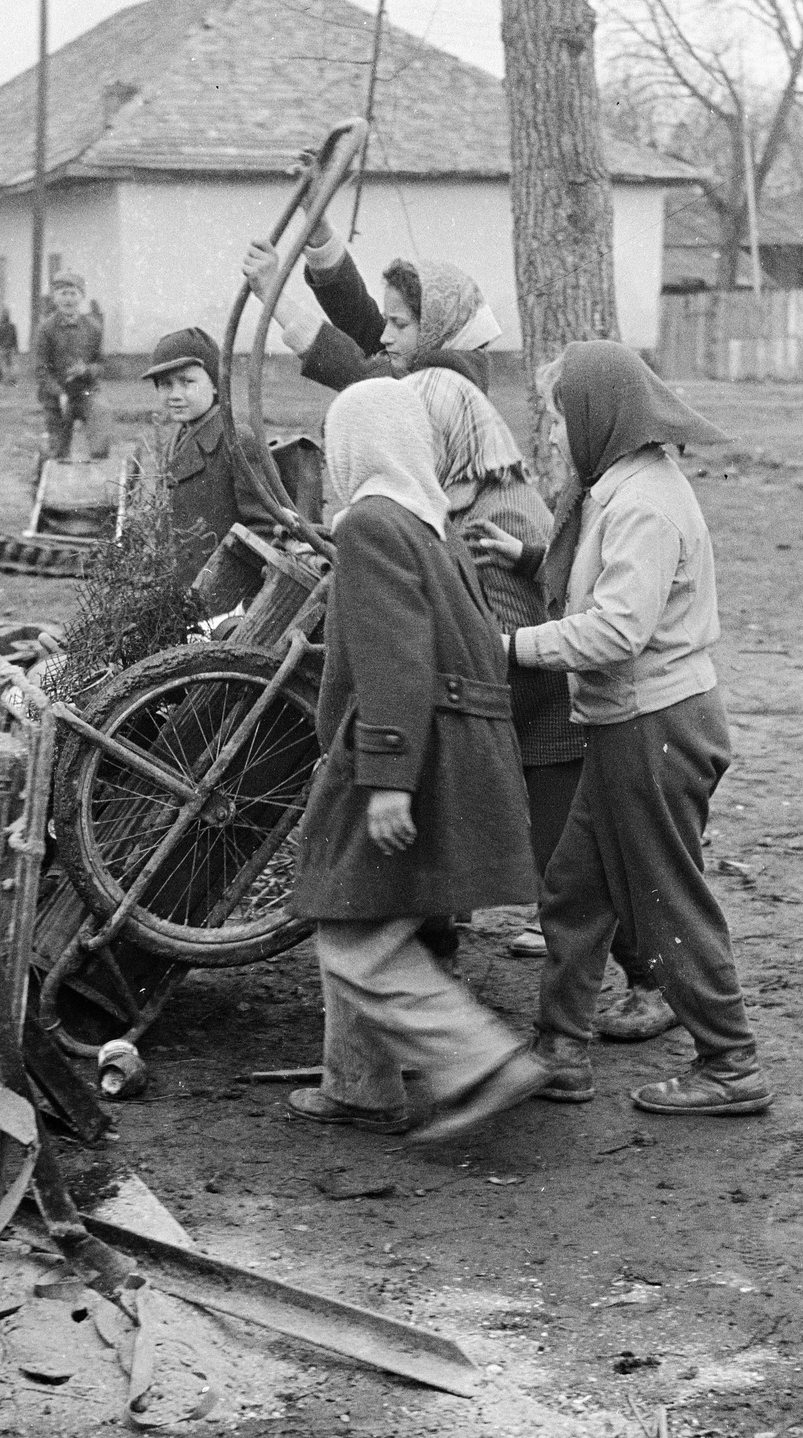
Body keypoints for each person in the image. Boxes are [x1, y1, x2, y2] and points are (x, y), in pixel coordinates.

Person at [481, 340, 768, 1117]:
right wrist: (528, 554)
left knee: (666, 899)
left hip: (656, 728)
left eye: (559, 417)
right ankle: (559, 1050)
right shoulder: (623, 486)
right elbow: (605, 572)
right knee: (574, 890)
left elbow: (614, 631)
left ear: (598, 413)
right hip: (627, 726)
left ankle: (731, 1063)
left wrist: (508, 647)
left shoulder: (642, 501)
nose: (553, 434)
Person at [288, 378, 550, 1145]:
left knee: (353, 938)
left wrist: (387, 781)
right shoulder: (430, 527)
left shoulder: (369, 526)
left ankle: (480, 1064)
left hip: (412, 762)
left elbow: (393, 662)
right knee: (366, 912)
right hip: (462, 759)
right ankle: (358, 1087)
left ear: (354, 446)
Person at [412, 366, 677, 1047]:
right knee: (571, 875)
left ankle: (649, 987)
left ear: (446, 438)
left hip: (548, 725)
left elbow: (506, 641)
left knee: (574, 879)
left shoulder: (493, 510)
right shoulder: (477, 506)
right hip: (534, 717)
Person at [242, 225, 502, 394]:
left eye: (399, 324)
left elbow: (358, 373)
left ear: (438, 327)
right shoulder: (424, 356)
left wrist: (272, 293)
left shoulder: (448, 384)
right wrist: (318, 230)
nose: (384, 336)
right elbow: (360, 319)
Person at [138, 326, 279, 588]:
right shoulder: (175, 441)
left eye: (187, 382)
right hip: (180, 589)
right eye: (165, 385)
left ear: (215, 385)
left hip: (225, 597)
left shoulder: (237, 441)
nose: (175, 394)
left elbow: (266, 530)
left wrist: (222, 588)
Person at [35, 271, 110, 462]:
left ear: (81, 296)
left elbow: (102, 364)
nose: (68, 299)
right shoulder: (46, 329)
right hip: (57, 398)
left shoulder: (93, 327)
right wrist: (58, 393)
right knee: (57, 456)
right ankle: (54, 460)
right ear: (54, 297)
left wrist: (86, 370)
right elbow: (41, 371)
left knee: (101, 410)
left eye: (73, 293)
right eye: (63, 293)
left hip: (86, 392)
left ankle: (99, 466)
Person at [0, 308, 19, 384]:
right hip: (10, 348)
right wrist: (16, 349)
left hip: (2, 348)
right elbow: (15, 338)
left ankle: (7, 380)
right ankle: (12, 380)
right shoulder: (12, 326)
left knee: (4, 365)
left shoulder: (0, 326)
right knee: (10, 365)